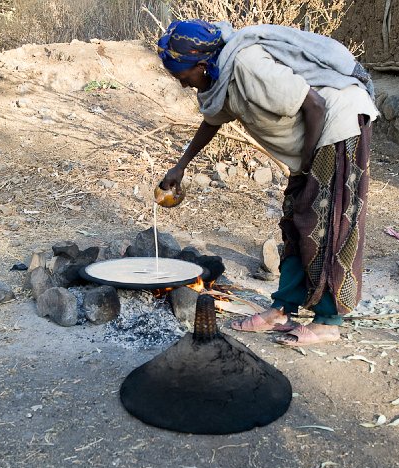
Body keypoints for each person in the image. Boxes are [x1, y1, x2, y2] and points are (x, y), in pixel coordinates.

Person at [156, 19, 378, 346]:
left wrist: (303, 162)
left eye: (183, 76)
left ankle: (328, 321)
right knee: (295, 221)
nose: (184, 84)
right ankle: (282, 309)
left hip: (338, 127)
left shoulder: (247, 65)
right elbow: (212, 120)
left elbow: (314, 104)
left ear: (202, 64)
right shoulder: (221, 76)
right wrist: (181, 166)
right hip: (314, 143)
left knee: (328, 225)